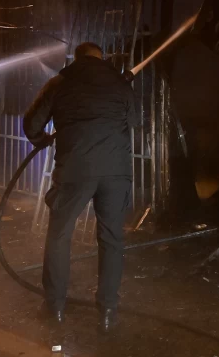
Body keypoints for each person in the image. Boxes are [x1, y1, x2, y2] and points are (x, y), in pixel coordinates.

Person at [24, 42, 137, 332]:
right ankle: (108, 311)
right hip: (116, 172)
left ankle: (55, 307)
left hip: (76, 170)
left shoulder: (60, 82)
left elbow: (32, 124)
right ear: (102, 58)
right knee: (112, 240)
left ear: (77, 58)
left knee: (60, 236)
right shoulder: (120, 85)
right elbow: (132, 120)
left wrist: (43, 140)